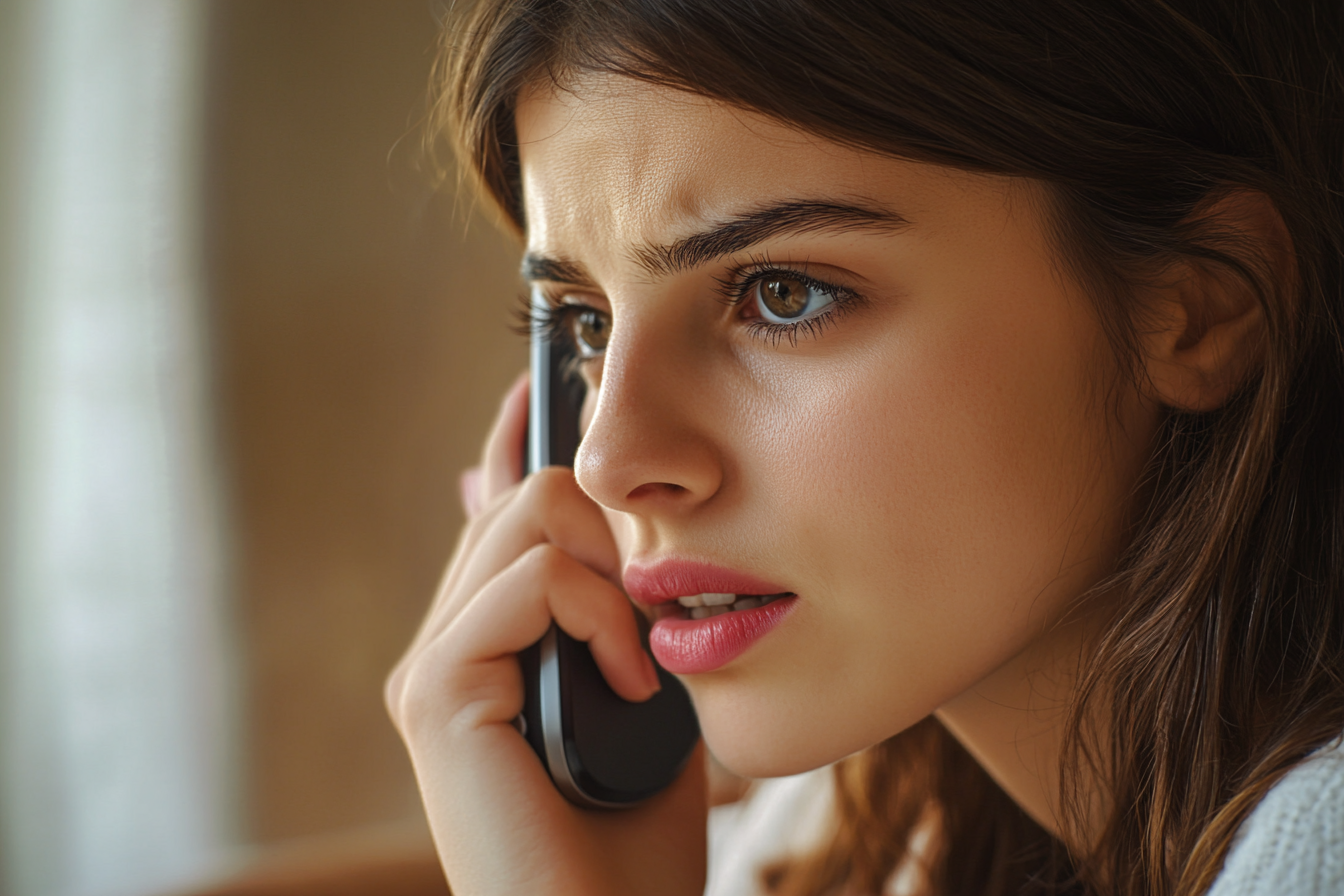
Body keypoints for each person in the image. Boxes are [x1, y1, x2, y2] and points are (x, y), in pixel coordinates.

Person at [383, 1, 1344, 893]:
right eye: (589, 325)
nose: (608, 461)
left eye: (783, 294)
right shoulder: (868, 831)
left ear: (1199, 309)